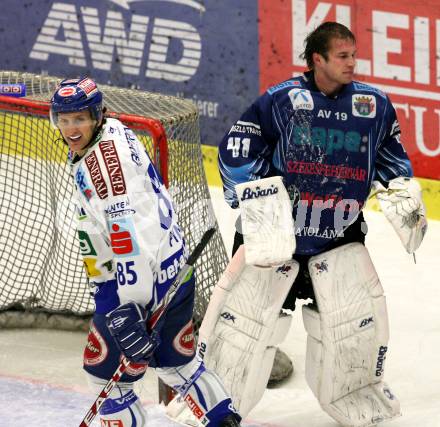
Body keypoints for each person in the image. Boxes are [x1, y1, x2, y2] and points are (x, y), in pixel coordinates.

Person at [217, 22, 427, 426]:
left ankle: (356, 400)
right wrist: (262, 203)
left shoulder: (374, 105)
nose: (353, 63)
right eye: (343, 56)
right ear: (318, 60)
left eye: (354, 55)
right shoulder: (281, 100)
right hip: (277, 234)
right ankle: (221, 403)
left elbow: (391, 158)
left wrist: (401, 190)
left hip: (338, 235)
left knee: (348, 329)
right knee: (244, 327)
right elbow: (238, 150)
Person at [50, 77, 241, 427]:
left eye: (78, 118)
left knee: (104, 376)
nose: (70, 128)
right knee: (178, 365)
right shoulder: (117, 129)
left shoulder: (103, 174)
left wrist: (131, 308)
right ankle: (223, 420)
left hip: (136, 285)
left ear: (96, 115)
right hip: (174, 266)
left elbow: (127, 241)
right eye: (63, 120)